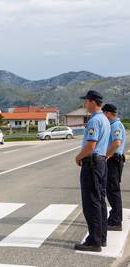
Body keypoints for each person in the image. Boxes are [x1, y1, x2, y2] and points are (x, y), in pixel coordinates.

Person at [74, 90, 110, 252]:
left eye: (86, 101)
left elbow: (90, 145)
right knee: (100, 201)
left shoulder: (95, 120)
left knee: (91, 203)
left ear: (92, 102)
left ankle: (94, 241)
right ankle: (101, 237)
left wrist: (78, 157)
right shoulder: (104, 119)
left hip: (93, 163)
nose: (84, 104)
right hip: (101, 162)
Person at [102, 103, 126, 231]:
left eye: (104, 114)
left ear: (108, 113)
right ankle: (114, 218)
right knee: (111, 191)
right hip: (114, 159)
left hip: (114, 160)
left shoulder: (115, 125)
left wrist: (106, 155)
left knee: (113, 190)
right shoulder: (114, 124)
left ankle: (116, 221)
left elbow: (116, 143)